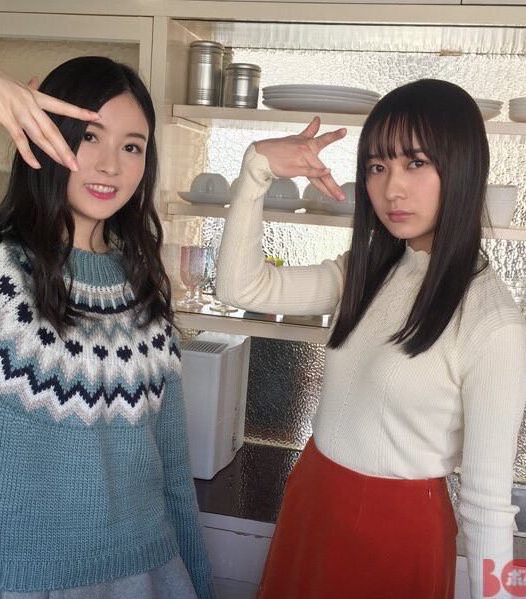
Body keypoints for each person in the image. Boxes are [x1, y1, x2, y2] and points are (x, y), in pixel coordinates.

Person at [216, 79, 526, 599]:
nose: (391, 189)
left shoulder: (492, 322)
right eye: (377, 167)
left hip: (397, 533)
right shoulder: (365, 272)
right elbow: (240, 287)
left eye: (416, 163)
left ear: (463, 167)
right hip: (313, 498)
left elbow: (488, 506)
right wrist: (256, 170)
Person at [0, 45, 215, 598]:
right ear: (45, 135)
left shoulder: (145, 290)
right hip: (8, 583)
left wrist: (198, 584)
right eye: (89, 136)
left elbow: (173, 471)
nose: (111, 165)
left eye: (132, 146)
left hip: (146, 575)